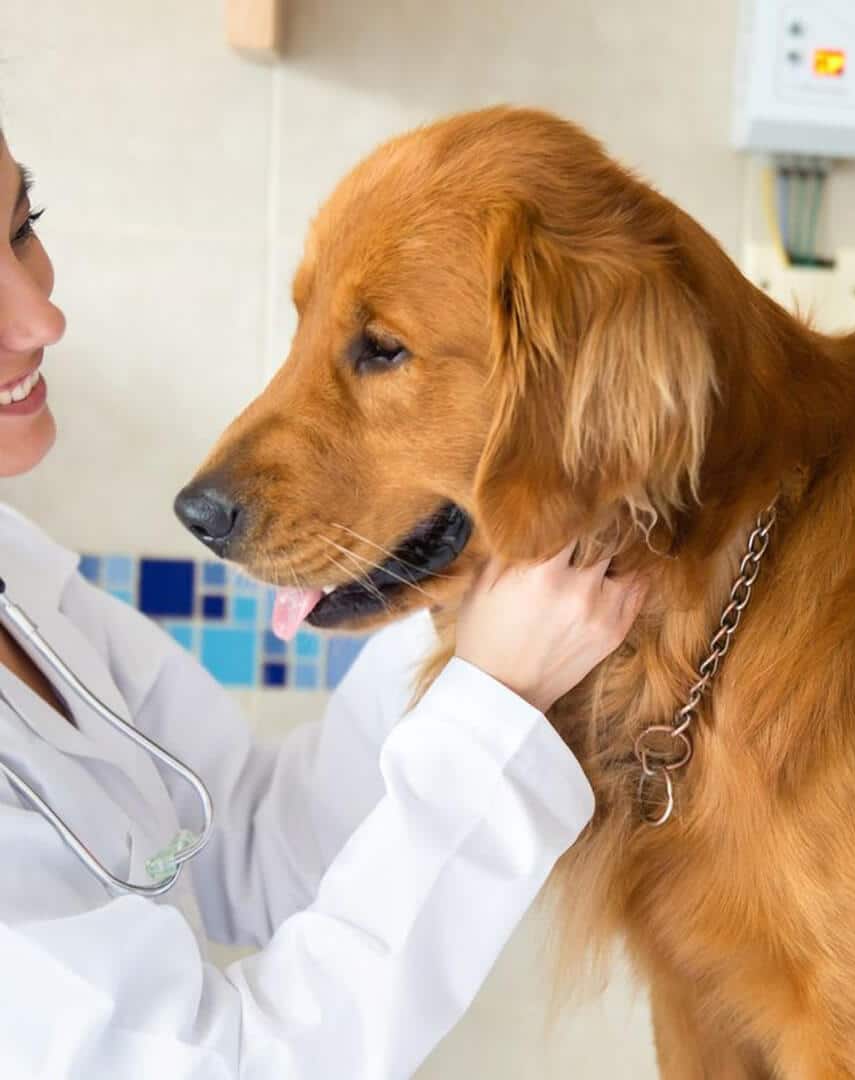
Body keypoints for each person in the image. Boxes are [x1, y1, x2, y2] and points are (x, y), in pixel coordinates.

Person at [0, 123, 645, 1079]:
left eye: (21, 228)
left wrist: (462, 608)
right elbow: (235, 1067)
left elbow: (252, 838)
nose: (42, 321)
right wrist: (493, 702)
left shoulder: (18, 571)